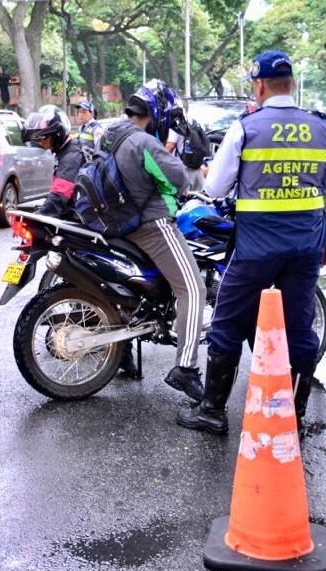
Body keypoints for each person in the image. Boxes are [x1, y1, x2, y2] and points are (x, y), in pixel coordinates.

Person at [176, 50, 326, 434]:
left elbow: (216, 187)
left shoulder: (247, 127)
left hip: (254, 250)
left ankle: (212, 411)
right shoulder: (322, 129)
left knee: (228, 323)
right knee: (300, 328)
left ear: (261, 85)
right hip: (305, 249)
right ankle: (294, 417)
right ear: (292, 84)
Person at [104, 81, 207, 400]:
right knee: (193, 288)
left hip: (117, 222)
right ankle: (186, 367)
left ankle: (126, 348)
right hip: (150, 224)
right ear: (157, 113)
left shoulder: (110, 133)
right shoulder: (144, 143)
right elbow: (178, 177)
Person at [25, 105, 85, 219]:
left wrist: (41, 215)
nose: (41, 143)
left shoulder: (72, 155)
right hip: (71, 212)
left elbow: (60, 193)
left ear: (57, 134)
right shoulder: (65, 151)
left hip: (80, 217)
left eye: (44, 138)